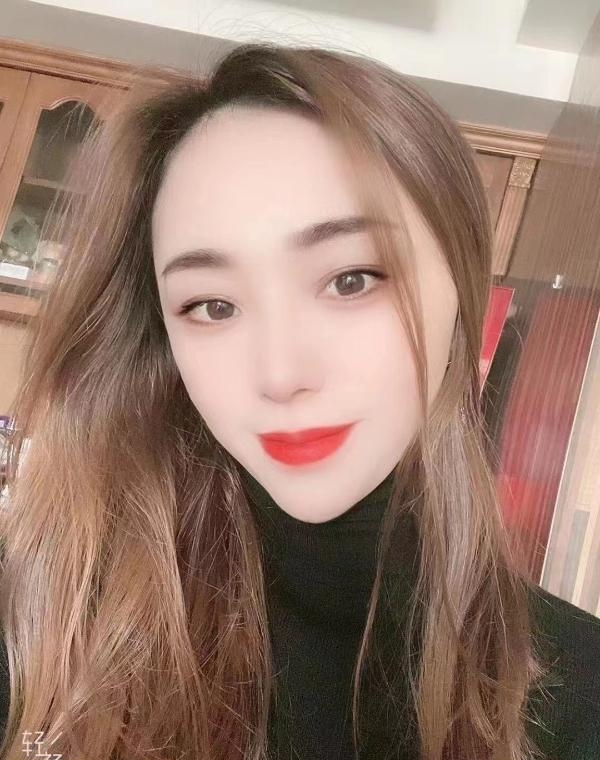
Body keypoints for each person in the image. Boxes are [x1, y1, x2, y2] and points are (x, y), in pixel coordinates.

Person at [0, 41, 599, 760]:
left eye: (351, 280)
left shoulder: (582, 693)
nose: (280, 374)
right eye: (212, 305)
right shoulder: (47, 621)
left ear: (462, 293)